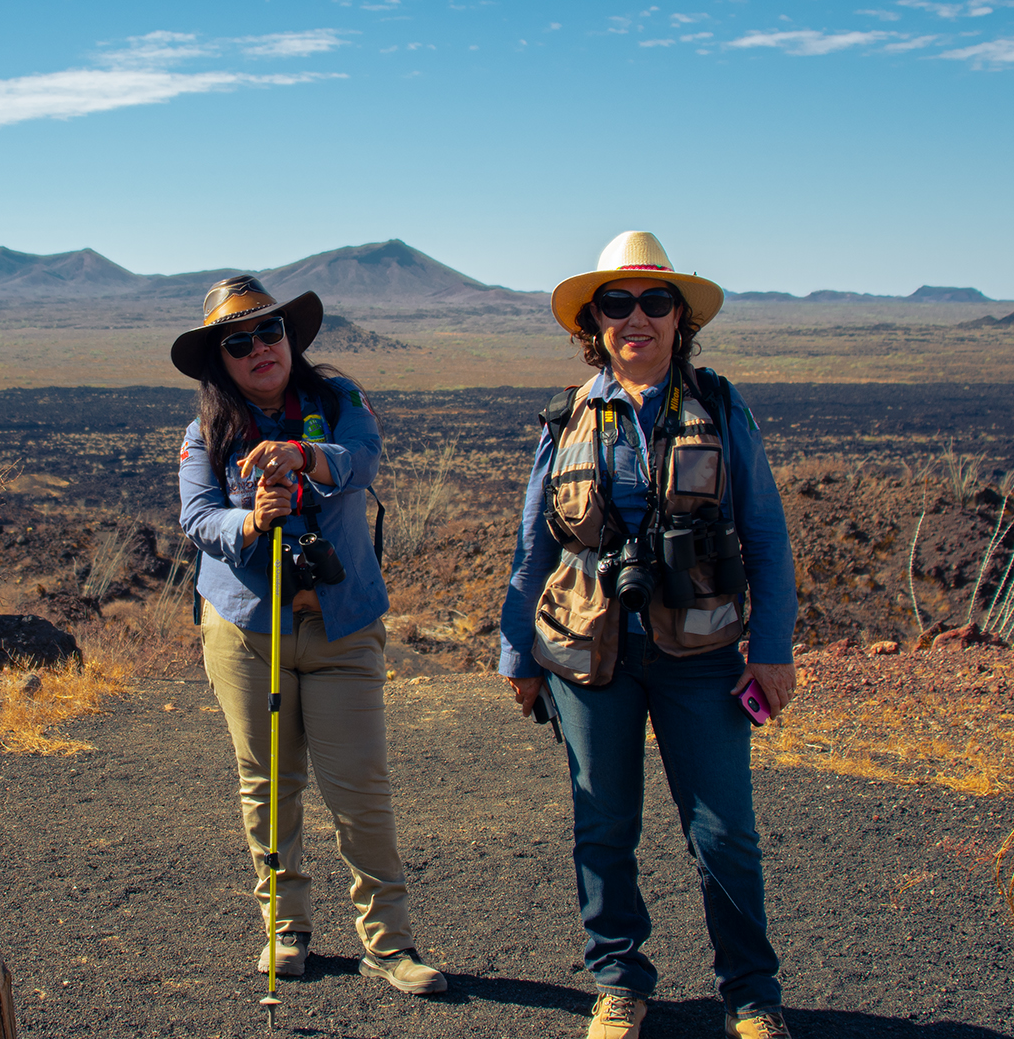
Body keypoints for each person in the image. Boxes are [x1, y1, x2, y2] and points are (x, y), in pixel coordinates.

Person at [498, 232, 799, 1039]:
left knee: (724, 830)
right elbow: (533, 549)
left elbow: (766, 535)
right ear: (593, 323)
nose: (636, 318)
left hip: (701, 655)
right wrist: (517, 653)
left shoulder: (720, 406)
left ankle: (751, 994)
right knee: (603, 824)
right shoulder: (565, 419)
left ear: (679, 319)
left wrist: (772, 649)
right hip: (588, 656)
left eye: (655, 302)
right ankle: (619, 981)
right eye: (617, 303)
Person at [172, 275, 446, 996]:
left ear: (290, 338)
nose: (260, 349)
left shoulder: (338, 400)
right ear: (219, 361)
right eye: (240, 342)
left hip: (341, 627)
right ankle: (283, 931)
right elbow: (198, 519)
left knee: (361, 789)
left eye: (271, 333)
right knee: (268, 786)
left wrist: (304, 456)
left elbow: (363, 460)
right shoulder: (205, 433)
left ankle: (390, 945)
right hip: (247, 630)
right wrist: (253, 522)